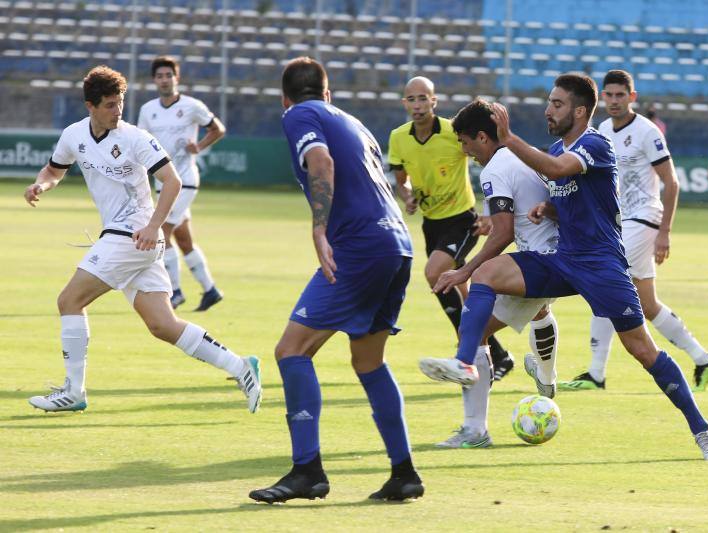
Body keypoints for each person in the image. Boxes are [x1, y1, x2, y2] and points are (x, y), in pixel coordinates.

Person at [419, 73, 708, 461]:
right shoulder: (556, 148)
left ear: (580, 111)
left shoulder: (595, 143)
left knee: (642, 350)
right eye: (549, 102)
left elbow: (562, 170)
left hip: (601, 264)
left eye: (557, 104)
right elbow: (563, 191)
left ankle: (701, 427)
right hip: (562, 260)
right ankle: (467, 364)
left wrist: (509, 139)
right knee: (484, 273)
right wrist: (549, 207)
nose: (549, 109)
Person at [24, 66, 261, 414]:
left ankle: (73, 391)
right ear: (90, 105)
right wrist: (41, 185)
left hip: (131, 236)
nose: (117, 110)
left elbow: (173, 181)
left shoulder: (135, 137)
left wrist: (153, 226)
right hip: (131, 241)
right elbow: (55, 170)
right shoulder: (73, 135)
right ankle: (240, 366)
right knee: (162, 325)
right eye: (109, 104)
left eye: (119, 102)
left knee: (69, 300)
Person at [248, 57, 423, 504]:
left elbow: (320, 162)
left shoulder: (298, 115)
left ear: (284, 98)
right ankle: (404, 473)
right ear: (328, 93)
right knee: (368, 361)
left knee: (292, 350)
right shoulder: (353, 122)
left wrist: (319, 228)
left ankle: (307, 471)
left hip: (360, 247)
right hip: (397, 246)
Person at [560, 70, 708, 393]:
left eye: (621, 95)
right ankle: (703, 359)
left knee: (603, 282)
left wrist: (665, 232)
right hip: (620, 223)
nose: (615, 101)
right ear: (602, 98)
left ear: (632, 97)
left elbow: (671, 182)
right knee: (648, 305)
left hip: (644, 219)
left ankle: (595, 372)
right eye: (610, 95)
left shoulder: (647, 132)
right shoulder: (602, 130)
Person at [426, 99, 560, 449]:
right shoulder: (525, 153)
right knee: (487, 327)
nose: (464, 150)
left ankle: (474, 429)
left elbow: (504, 233)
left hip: (539, 262)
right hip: (554, 257)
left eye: (465, 142)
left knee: (479, 299)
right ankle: (545, 377)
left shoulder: (495, 169)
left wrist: (463, 271)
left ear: (483, 138)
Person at [387, 76, 515, 380]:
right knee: (462, 294)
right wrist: (407, 196)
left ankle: (466, 352)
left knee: (435, 273)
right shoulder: (398, 137)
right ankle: (498, 355)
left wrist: (488, 211)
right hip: (432, 223)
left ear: (434, 101)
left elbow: (488, 163)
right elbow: (400, 176)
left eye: (423, 98)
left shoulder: (452, 132)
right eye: (411, 99)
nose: (417, 105)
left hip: (462, 219)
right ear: (404, 103)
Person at [138, 56, 226, 311]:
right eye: (160, 76)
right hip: (161, 181)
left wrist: (197, 147)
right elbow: (142, 141)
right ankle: (210, 290)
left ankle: (175, 292)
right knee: (184, 239)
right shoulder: (148, 110)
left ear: (177, 78)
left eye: (169, 75)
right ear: (154, 80)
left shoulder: (191, 106)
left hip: (184, 181)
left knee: (162, 233)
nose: (164, 80)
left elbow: (217, 129)